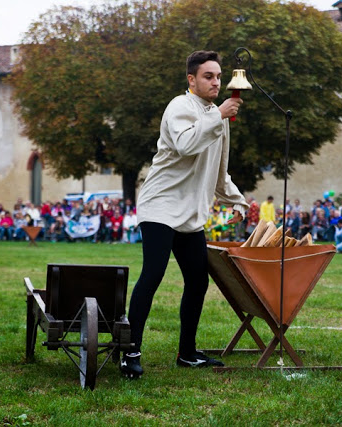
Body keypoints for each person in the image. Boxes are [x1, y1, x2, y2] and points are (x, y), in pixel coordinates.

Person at [121, 51, 248, 378]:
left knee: (197, 279)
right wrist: (218, 114)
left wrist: (240, 201)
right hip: (160, 205)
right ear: (191, 79)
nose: (216, 82)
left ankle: (187, 353)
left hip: (190, 213)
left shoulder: (216, 117)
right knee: (153, 274)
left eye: (219, 76)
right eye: (208, 76)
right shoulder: (179, 106)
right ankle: (130, 351)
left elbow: (219, 173)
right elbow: (185, 145)